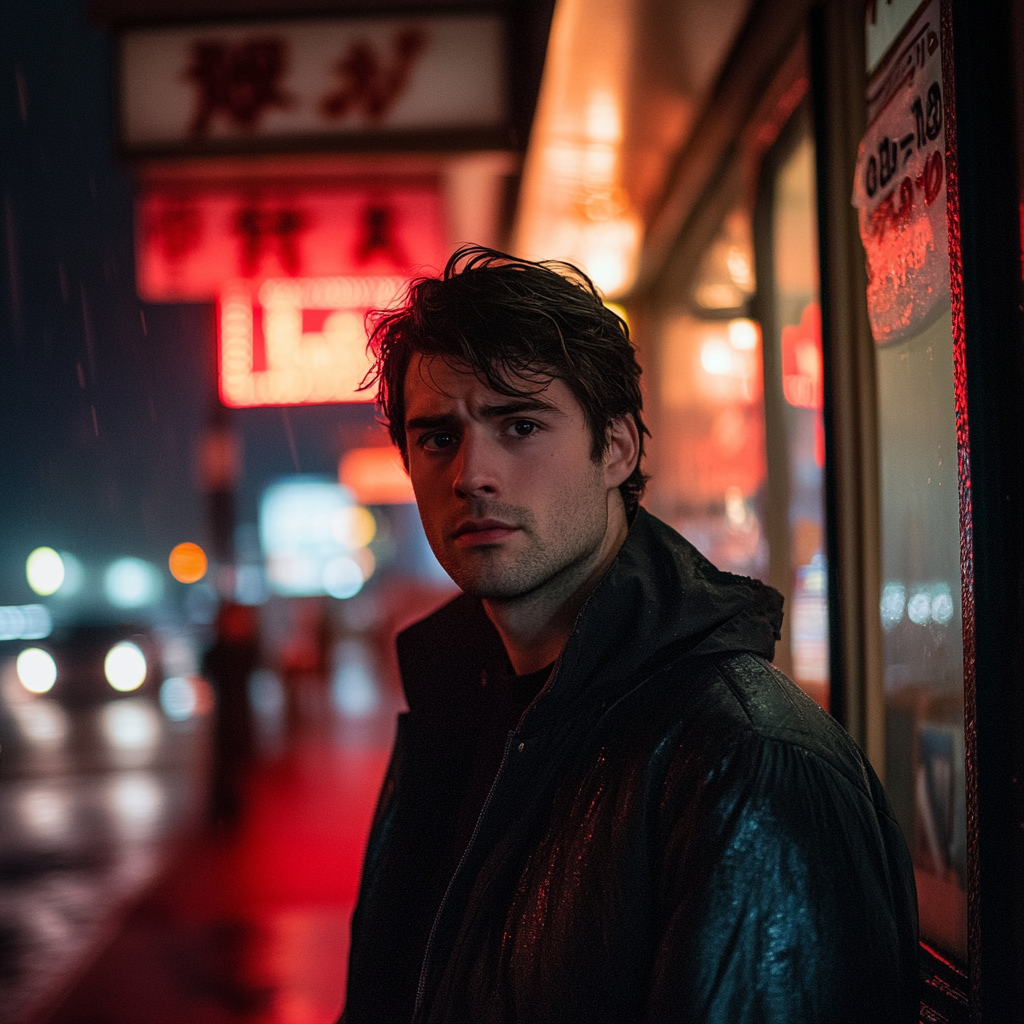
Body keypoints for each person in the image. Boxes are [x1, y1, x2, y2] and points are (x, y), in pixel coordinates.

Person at [341, 246, 918, 1023]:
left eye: (519, 425)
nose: (471, 473)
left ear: (617, 448)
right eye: (439, 437)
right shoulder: (465, 708)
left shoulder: (746, 760)